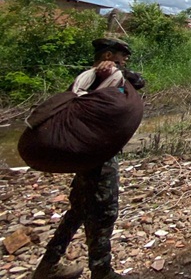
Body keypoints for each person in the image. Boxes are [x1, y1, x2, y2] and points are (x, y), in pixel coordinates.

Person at [33, 37, 142, 279]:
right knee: (104, 213)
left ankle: (48, 264)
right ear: (108, 57)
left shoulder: (90, 78)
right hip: (98, 160)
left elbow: (137, 81)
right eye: (121, 58)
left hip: (84, 158)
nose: (124, 63)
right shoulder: (98, 78)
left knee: (79, 210)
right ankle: (102, 271)